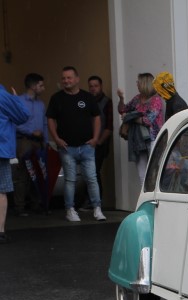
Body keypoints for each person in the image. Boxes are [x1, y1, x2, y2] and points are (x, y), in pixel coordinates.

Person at [46, 66, 105, 222]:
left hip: (87, 146)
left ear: (77, 79)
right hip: (67, 148)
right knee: (70, 180)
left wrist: (95, 138)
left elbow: (96, 117)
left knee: (91, 178)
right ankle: (70, 210)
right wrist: (56, 138)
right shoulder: (56, 98)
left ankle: (97, 209)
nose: (66, 81)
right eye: (63, 78)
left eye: (69, 77)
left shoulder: (87, 97)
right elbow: (50, 119)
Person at [118, 72, 164, 183]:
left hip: (153, 139)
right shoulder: (137, 99)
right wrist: (121, 98)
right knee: (141, 172)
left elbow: (148, 120)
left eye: (138, 82)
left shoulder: (156, 100)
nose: (136, 84)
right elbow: (122, 110)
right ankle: (145, 195)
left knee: (154, 170)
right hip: (138, 140)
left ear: (144, 84)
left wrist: (130, 117)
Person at [13, 73, 48, 216]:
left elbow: (45, 123)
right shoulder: (18, 101)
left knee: (39, 173)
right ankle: (19, 207)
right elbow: (13, 123)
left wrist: (45, 141)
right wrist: (31, 132)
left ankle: (36, 204)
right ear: (33, 86)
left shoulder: (41, 104)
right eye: (41, 85)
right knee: (23, 174)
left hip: (38, 143)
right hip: (24, 141)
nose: (43, 88)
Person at [0, 85, 30, 243]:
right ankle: (0, 231)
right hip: (1, 149)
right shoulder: (3, 96)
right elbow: (23, 116)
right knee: (1, 191)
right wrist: (16, 99)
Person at [83, 75, 113, 206]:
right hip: (86, 143)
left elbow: (109, 126)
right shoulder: (86, 101)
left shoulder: (107, 102)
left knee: (93, 172)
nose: (93, 88)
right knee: (86, 172)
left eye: (96, 86)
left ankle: (95, 201)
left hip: (99, 144)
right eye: (91, 86)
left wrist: (99, 141)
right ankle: (88, 200)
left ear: (101, 86)